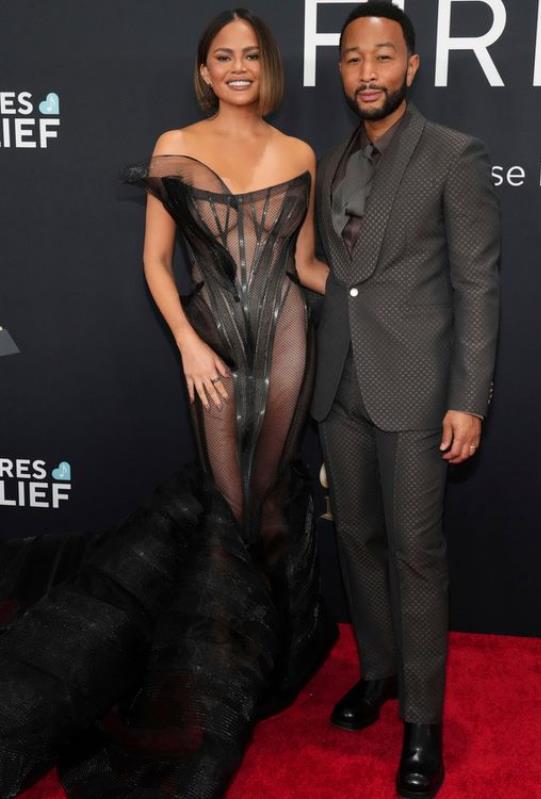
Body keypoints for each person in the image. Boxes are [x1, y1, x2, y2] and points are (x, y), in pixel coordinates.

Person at [0, 8, 333, 798]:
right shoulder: (175, 147)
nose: (240, 66)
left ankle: (270, 660)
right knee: (225, 507)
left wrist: (377, 290)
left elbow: (309, 259)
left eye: (252, 54)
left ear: (268, 66)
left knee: (270, 504)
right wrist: (187, 341)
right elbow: (155, 261)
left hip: (287, 338)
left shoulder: (300, 153)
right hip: (210, 339)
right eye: (226, 55)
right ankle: (212, 676)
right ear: (206, 69)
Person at [312, 3, 500, 797]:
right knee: (356, 538)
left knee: (417, 554)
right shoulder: (332, 160)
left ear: (411, 67)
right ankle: (379, 673)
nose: (366, 73)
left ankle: (422, 720)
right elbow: (341, 277)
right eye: (353, 58)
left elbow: (477, 284)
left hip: (420, 390)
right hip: (338, 384)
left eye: (382, 57)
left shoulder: (453, 155)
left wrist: (470, 397)